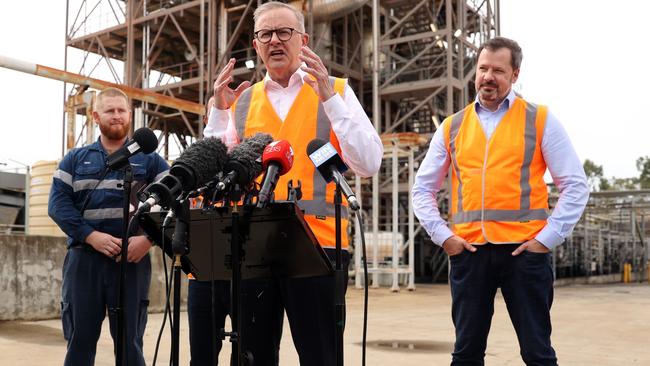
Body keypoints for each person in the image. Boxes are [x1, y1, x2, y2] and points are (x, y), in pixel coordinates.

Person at [204, 2, 383, 365]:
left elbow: (368, 162)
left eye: (284, 32)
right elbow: (215, 175)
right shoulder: (242, 102)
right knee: (252, 356)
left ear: (303, 39)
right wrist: (218, 111)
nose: (275, 41)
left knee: (321, 356)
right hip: (255, 250)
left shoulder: (336, 91)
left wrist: (330, 101)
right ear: (255, 45)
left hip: (320, 248)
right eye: (265, 34)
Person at [412, 36, 589, 366]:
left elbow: (576, 186)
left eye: (498, 70)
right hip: (469, 253)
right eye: (482, 69)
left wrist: (545, 240)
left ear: (515, 74)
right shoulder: (452, 126)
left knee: (537, 353)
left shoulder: (539, 120)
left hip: (524, 254)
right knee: (465, 354)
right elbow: (422, 189)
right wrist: (444, 237)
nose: (488, 77)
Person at [48, 87, 169, 366]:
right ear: (95, 116)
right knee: (79, 341)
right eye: (109, 110)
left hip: (132, 261)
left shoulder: (150, 160)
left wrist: (148, 239)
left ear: (130, 115)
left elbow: (174, 201)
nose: (116, 116)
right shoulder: (75, 159)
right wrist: (90, 236)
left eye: (121, 110)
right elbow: (58, 205)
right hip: (84, 260)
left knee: (130, 346)